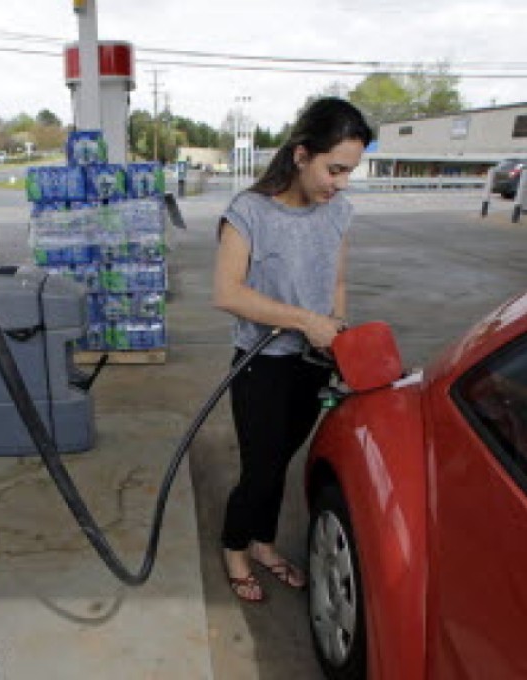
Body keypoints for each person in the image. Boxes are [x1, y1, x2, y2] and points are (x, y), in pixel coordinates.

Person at [212, 98, 372, 602]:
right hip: (261, 364)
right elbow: (228, 293)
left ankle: (262, 542)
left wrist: (337, 334)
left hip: (311, 364)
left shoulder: (338, 213)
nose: (340, 183)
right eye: (335, 169)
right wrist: (305, 320)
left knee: (281, 461)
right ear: (302, 155)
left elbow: (337, 281)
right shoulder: (249, 212)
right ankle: (234, 547)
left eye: (349, 172)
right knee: (260, 467)